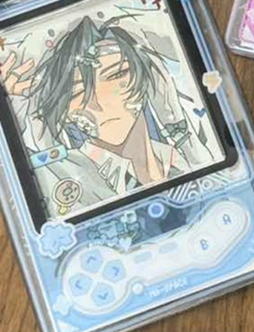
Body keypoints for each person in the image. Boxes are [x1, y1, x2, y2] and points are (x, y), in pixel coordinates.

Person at [0, 14, 216, 215]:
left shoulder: (183, 154)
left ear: (144, 79)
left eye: (116, 75)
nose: (99, 103)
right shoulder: (63, 170)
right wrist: (11, 115)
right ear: (64, 112)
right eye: (77, 92)